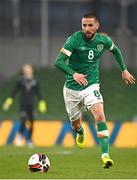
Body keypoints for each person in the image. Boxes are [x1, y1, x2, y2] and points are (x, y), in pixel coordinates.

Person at [54, 13, 136, 168]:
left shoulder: (103, 40)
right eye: (84, 25)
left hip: (91, 86)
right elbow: (58, 62)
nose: (87, 28)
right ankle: (80, 132)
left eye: (90, 25)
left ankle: (105, 155)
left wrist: (124, 70)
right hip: (71, 88)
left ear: (97, 26)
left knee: (100, 115)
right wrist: (74, 74)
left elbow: (116, 51)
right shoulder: (74, 39)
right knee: (75, 125)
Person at [3, 63, 47, 147]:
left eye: (28, 69)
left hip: (31, 105)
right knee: (23, 121)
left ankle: (29, 140)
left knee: (32, 123)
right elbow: (14, 92)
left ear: (31, 70)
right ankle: (19, 137)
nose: (27, 71)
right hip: (23, 104)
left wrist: (42, 102)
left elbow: (39, 93)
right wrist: (9, 101)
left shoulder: (35, 81)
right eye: (26, 69)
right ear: (24, 71)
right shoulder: (20, 81)